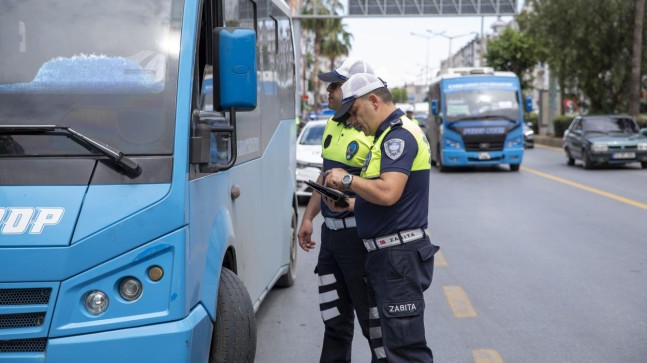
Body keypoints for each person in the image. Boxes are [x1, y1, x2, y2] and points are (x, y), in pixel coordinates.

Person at [323, 73, 439, 363]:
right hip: (386, 256)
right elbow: (381, 198)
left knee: (404, 350)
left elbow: (388, 192)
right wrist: (353, 205)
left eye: (354, 112)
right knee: (387, 346)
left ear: (373, 101)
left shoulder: (398, 136)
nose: (352, 121)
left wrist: (347, 178)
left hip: (396, 257)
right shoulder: (384, 137)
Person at [297, 58, 385, 362]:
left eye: (335, 86)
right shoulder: (331, 125)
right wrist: (308, 217)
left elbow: (386, 191)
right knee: (334, 322)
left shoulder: (375, 131)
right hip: (331, 242)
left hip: (361, 242)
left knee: (374, 328)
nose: (329, 91)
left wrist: (353, 202)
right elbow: (325, 176)